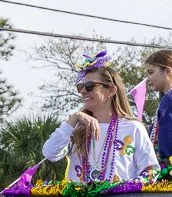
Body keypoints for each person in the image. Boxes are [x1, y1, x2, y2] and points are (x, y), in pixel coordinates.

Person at [42, 51, 159, 183]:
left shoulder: (132, 127)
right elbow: (50, 153)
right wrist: (75, 117)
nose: (83, 91)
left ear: (111, 90)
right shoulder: (75, 128)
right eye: (81, 86)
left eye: (90, 86)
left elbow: (151, 170)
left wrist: (123, 189)